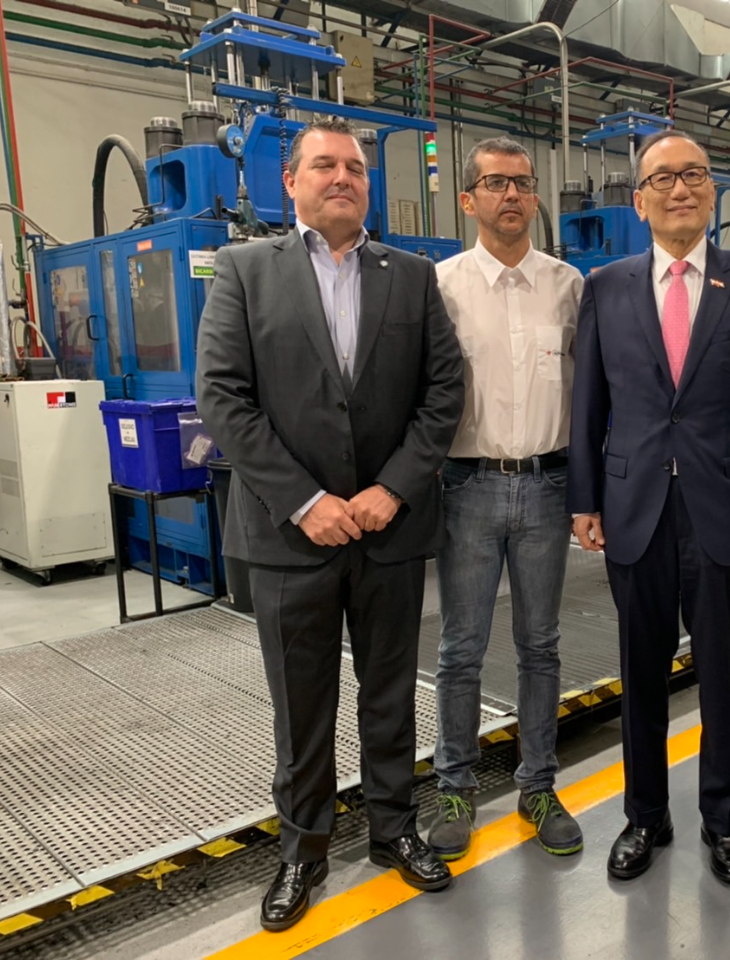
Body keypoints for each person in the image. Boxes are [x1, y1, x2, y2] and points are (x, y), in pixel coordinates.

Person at [196, 117, 464, 932]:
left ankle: (393, 828)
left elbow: (443, 391)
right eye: (324, 165)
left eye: (355, 166)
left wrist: (394, 488)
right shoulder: (245, 270)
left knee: (389, 694)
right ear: (291, 181)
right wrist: (305, 501)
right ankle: (302, 849)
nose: (342, 176)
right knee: (300, 702)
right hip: (289, 536)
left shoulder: (411, 276)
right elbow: (222, 395)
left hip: (389, 530)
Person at [567, 129, 730, 886]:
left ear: (713, 191)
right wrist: (584, 497)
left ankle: (723, 821)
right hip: (634, 506)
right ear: (639, 201)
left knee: (723, 674)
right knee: (641, 672)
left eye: (694, 174)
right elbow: (589, 403)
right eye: (662, 178)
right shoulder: (605, 287)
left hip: (723, 506)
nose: (680, 189)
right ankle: (645, 816)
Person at [428, 137, 585, 860]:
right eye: (496, 183)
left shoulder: (568, 285)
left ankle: (538, 785)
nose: (512, 195)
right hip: (467, 486)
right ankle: (454, 786)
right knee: (460, 648)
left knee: (540, 646)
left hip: (549, 486)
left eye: (522, 183)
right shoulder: (441, 287)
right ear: (469, 200)